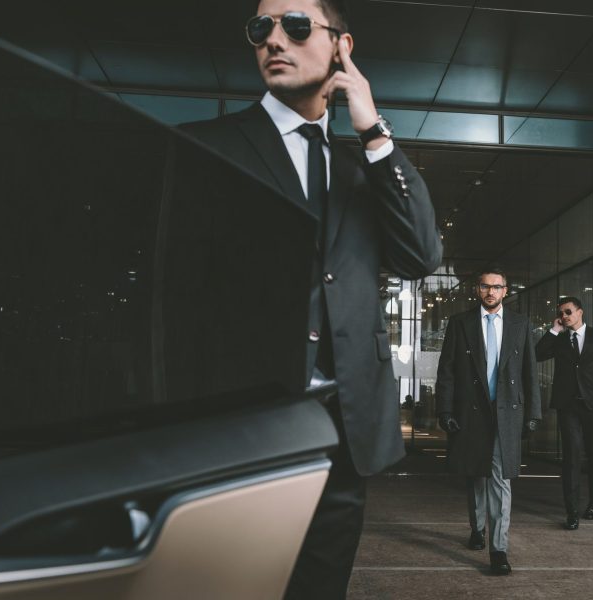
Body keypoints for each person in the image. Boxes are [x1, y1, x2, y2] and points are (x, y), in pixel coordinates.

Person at [181, 0, 442, 597]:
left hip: (343, 430)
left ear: (341, 45)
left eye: (296, 26)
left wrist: (373, 130)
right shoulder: (209, 147)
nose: (275, 40)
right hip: (243, 424)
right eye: (260, 29)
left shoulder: (363, 168)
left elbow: (421, 255)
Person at [436, 268, 541, 575]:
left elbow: (529, 372)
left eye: (497, 287)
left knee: (500, 479)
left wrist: (532, 413)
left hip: (506, 413)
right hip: (471, 412)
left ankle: (499, 550)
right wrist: (444, 411)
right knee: (475, 475)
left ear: (506, 290)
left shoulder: (520, 324)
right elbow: (447, 371)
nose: (491, 292)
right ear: (477, 290)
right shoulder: (460, 323)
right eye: (485, 286)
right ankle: (477, 527)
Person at [535, 296, 593, 531]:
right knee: (571, 458)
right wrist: (554, 330)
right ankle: (572, 511)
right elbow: (537, 354)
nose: (564, 316)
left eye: (568, 312)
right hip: (568, 407)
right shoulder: (560, 339)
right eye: (561, 313)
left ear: (580, 312)